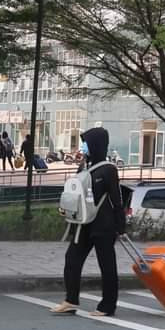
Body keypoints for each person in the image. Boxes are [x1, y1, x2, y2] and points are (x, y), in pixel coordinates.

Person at [51, 127, 126, 317]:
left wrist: (120, 226)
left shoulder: (109, 170)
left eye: (86, 143)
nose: (84, 146)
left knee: (107, 266)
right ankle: (71, 300)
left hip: (104, 225)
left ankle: (107, 306)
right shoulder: (84, 167)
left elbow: (117, 200)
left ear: (96, 145)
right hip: (83, 224)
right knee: (72, 260)